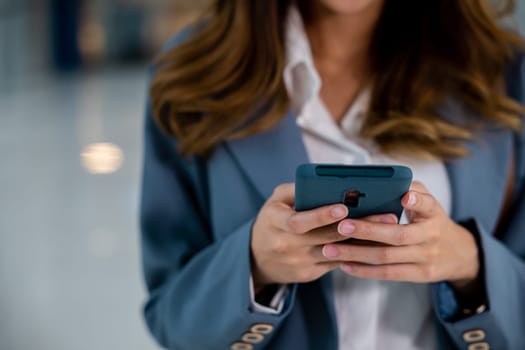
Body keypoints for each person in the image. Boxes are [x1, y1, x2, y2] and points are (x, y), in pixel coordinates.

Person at [140, 1, 525, 349]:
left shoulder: (503, 73)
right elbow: (174, 321)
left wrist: (472, 264)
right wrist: (254, 267)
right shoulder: (192, 76)